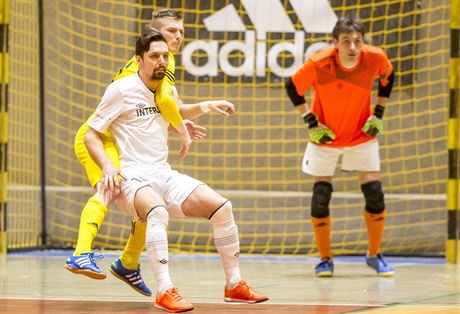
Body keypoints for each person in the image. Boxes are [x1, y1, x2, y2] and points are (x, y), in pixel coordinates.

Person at [85, 30, 268, 312]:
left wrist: (208, 106)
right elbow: (91, 134)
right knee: (157, 212)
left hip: (163, 173)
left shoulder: (165, 88)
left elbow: (177, 112)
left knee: (222, 208)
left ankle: (234, 285)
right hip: (131, 178)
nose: (161, 61)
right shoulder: (121, 89)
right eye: (154, 56)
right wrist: (108, 165)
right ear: (139, 59)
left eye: (165, 56)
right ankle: (165, 290)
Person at [65, 9, 231, 297]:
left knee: (148, 206)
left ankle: (128, 263)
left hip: (117, 134)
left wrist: (201, 108)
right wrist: (179, 130)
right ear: (154, 36)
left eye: (180, 31)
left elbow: (161, 110)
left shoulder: (164, 62)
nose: (178, 36)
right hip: (98, 137)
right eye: (170, 31)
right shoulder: (144, 68)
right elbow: (162, 103)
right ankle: (80, 253)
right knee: (109, 187)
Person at [285, 17, 395, 277]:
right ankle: (325, 259)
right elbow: (292, 86)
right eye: (346, 42)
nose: (353, 47)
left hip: (361, 135)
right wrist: (310, 121)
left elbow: (388, 77)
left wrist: (378, 113)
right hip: (326, 137)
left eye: (357, 41)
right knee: (321, 195)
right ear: (335, 43)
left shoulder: (375, 58)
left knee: (374, 192)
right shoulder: (319, 62)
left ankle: (374, 254)